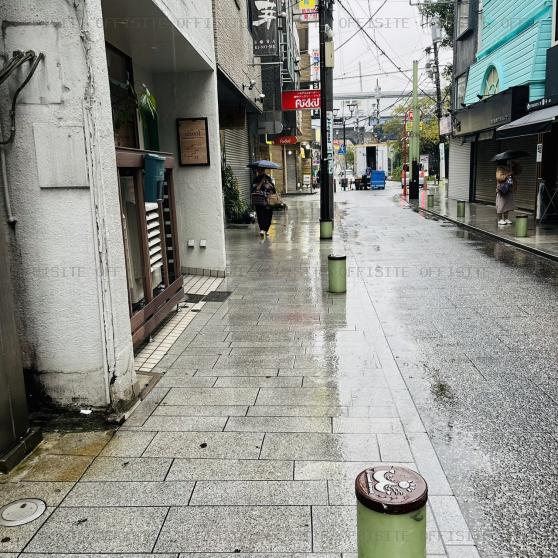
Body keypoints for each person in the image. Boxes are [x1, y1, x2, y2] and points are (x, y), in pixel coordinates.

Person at [251, 167, 276, 237]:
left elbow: (273, 190)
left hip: (268, 200)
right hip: (259, 200)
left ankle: (266, 229)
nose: (260, 172)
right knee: (260, 215)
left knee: (268, 215)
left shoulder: (268, 178)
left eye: (261, 170)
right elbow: (254, 189)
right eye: (259, 170)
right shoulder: (256, 179)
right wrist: (261, 183)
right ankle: (262, 229)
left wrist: (269, 185)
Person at [496, 161, 521, 226]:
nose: (508, 163)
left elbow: (517, 172)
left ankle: (506, 218)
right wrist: (508, 174)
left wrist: (515, 165)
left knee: (508, 205)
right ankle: (500, 219)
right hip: (502, 189)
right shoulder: (500, 169)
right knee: (501, 205)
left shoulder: (510, 168)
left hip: (509, 189)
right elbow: (499, 178)